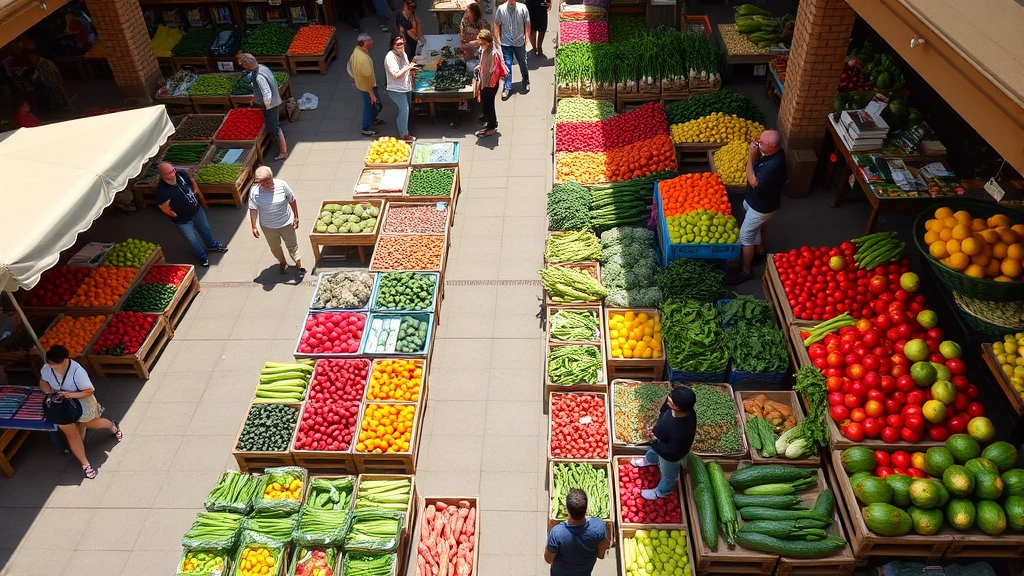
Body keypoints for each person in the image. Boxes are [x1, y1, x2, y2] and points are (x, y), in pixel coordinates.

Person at [39, 345, 122, 479]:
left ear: (64, 360)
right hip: (60, 405)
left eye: (54, 364)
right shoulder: (46, 368)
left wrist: (70, 395)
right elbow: (43, 381)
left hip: (82, 402)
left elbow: (89, 390)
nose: (50, 366)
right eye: (48, 362)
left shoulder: (77, 371)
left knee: (92, 424)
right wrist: (48, 391)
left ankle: (112, 426)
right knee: (71, 435)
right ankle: (85, 465)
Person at [726, 129, 786, 285]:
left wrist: (751, 157)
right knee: (758, 228)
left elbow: (753, 181)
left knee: (745, 237)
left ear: (772, 146)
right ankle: (760, 252)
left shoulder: (774, 165)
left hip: (760, 208)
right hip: (764, 203)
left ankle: (746, 271)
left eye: (761, 143)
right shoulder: (776, 154)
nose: (758, 143)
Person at [154, 162, 228, 267]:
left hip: (197, 211)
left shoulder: (181, 175)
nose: (174, 172)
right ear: (164, 176)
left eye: (173, 169)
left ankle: (213, 245)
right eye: (170, 172)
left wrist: (195, 188)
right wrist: (174, 215)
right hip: (183, 220)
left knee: (205, 229)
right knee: (191, 238)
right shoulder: (162, 191)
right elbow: (163, 207)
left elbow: (191, 180)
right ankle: (202, 256)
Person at [631, 386, 697, 500]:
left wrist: (655, 440)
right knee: (653, 452)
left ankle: (662, 491)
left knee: (668, 473)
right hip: (660, 441)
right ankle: (650, 460)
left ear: (678, 407)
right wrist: (654, 427)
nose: (667, 402)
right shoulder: (671, 405)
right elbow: (662, 413)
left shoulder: (684, 430)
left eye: (670, 402)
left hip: (670, 455)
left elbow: (671, 450)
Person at [249, 166, 304, 275]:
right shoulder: (254, 191)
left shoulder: (282, 185)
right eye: (260, 182)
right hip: (268, 227)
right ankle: (283, 263)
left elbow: (292, 200)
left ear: (271, 178)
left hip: (286, 223)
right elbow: (253, 208)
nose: (264, 185)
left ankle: (299, 263)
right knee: (274, 247)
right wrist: (253, 226)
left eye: (266, 181)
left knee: (292, 245)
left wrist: (296, 217)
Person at [544, 488, 611, 576]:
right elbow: (601, 554)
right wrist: (609, 532)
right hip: (585, 571)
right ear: (587, 509)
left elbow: (548, 559)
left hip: (560, 572)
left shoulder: (557, 533)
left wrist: (550, 530)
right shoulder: (599, 526)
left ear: (567, 511)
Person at [238, 53, 288, 161]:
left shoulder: (260, 77)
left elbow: (267, 93)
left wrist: (267, 107)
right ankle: (280, 145)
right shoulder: (262, 67)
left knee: (273, 128)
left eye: (244, 65)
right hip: (273, 103)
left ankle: (282, 152)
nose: (243, 67)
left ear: (248, 65)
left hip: (271, 105)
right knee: (274, 125)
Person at [494, 0, 531, 100]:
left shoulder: (522, 8)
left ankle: (525, 79)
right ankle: (507, 86)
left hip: (519, 42)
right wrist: (498, 39)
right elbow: (496, 24)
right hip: (506, 43)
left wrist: (527, 38)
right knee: (507, 65)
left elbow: (527, 23)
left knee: (523, 62)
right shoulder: (501, 9)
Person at [349, 33, 386, 136]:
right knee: (369, 106)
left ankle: (372, 119)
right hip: (367, 87)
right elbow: (367, 77)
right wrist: (371, 93)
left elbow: (350, 64)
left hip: (361, 84)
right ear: (364, 43)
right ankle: (365, 128)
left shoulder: (357, 50)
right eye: (369, 40)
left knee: (373, 105)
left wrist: (354, 75)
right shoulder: (363, 59)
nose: (372, 41)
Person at [385, 35, 419, 142]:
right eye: (398, 44)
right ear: (393, 45)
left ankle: (404, 125)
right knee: (404, 110)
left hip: (405, 87)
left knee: (406, 108)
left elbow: (406, 67)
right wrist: (408, 68)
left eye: (402, 43)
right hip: (396, 89)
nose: (401, 45)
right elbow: (395, 74)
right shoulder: (390, 57)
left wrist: (411, 70)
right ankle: (404, 134)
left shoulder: (403, 53)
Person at [474, 30, 505, 138]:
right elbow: (483, 64)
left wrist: (488, 84)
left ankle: (492, 126)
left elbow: (493, 71)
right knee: (484, 102)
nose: (480, 44)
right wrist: (479, 67)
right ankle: (487, 118)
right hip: (485, 82)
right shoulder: (484, 50)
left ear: (487, 42)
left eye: (481, 42)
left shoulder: (493, 54)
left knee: (489, 105)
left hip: (490, 84)